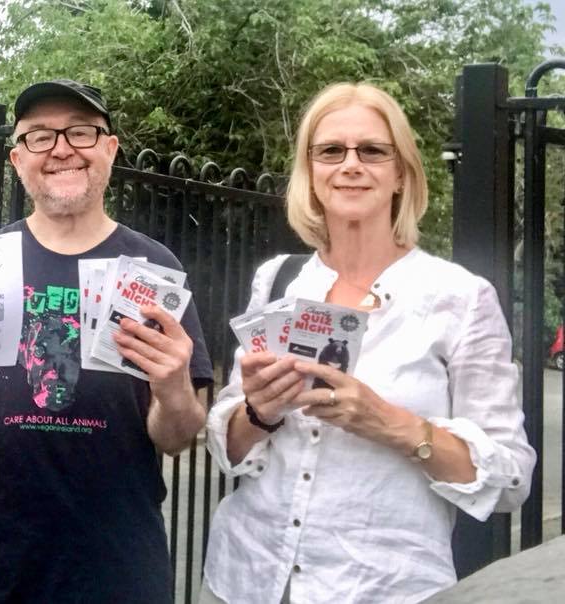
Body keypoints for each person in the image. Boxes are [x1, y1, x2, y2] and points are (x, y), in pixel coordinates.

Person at [201, 82, 536, 603]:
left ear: (401, 172)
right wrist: (259, 412)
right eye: (331, 151)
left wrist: (392, 424)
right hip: (244, 578)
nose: (351, 165)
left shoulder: (460, 298)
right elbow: (229, 444)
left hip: (382, 587)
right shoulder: (279, 279)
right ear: (311, 172)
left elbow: (512, 479)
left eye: (373, 151)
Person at [0, 79, 214, 603]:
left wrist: (174, 390)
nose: (61, 149)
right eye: (39, 136)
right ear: (18, 159)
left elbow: (177, 436)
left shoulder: (154, 268)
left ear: (110, 149)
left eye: (81, 132)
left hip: (114, 571)